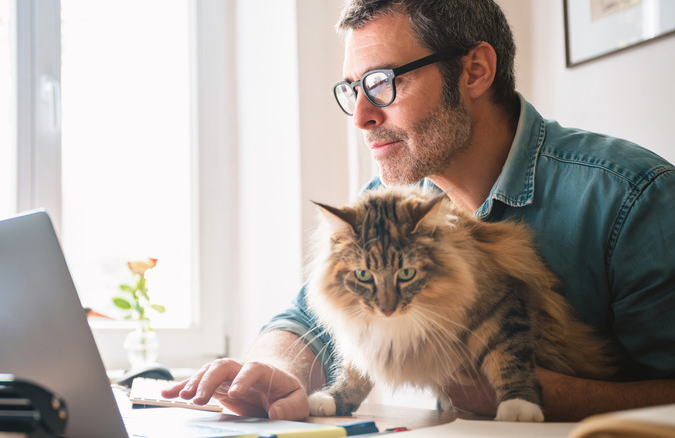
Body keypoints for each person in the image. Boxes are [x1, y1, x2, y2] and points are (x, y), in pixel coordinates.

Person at [163, 0, 675, 422]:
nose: (362, 116)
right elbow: (304, 318)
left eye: (383, 82)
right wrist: (275, 371)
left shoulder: (630, 196)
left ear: (475, 71)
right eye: (352, 90)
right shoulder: (386, 204)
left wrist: (529, 387)